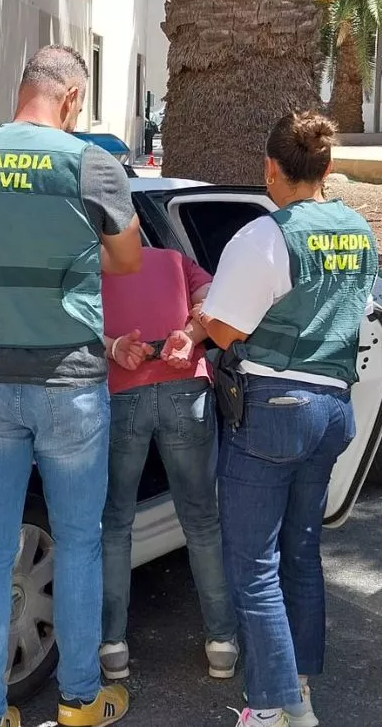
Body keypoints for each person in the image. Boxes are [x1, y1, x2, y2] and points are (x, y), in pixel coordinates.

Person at [0, 44, 143, 727]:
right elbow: (129, 259)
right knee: (78, 542)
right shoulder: (88, 164)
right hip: (69, 382)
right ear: (72, 98)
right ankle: (80, 703)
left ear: (23, 90)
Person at [194, 111, 379, 727]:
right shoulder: (359, 231)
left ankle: (271, 708)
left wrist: (200, 315)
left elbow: (226, 330)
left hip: (272, 410)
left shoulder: (264, 237)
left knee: (253, 566)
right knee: (301, 552)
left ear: (271, 168)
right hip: (332, 410)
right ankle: (298, 694)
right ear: (326, 169)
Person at [97, 246, 239, 682]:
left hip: (121, 391)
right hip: (185, 390)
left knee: (116, 524)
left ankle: (113, 647)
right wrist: (191, 331)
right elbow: (217, 298)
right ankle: (221, 644)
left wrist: (113, 346)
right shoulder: (176, 260)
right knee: (201, 522)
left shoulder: (90, 262)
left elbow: (72, 320)